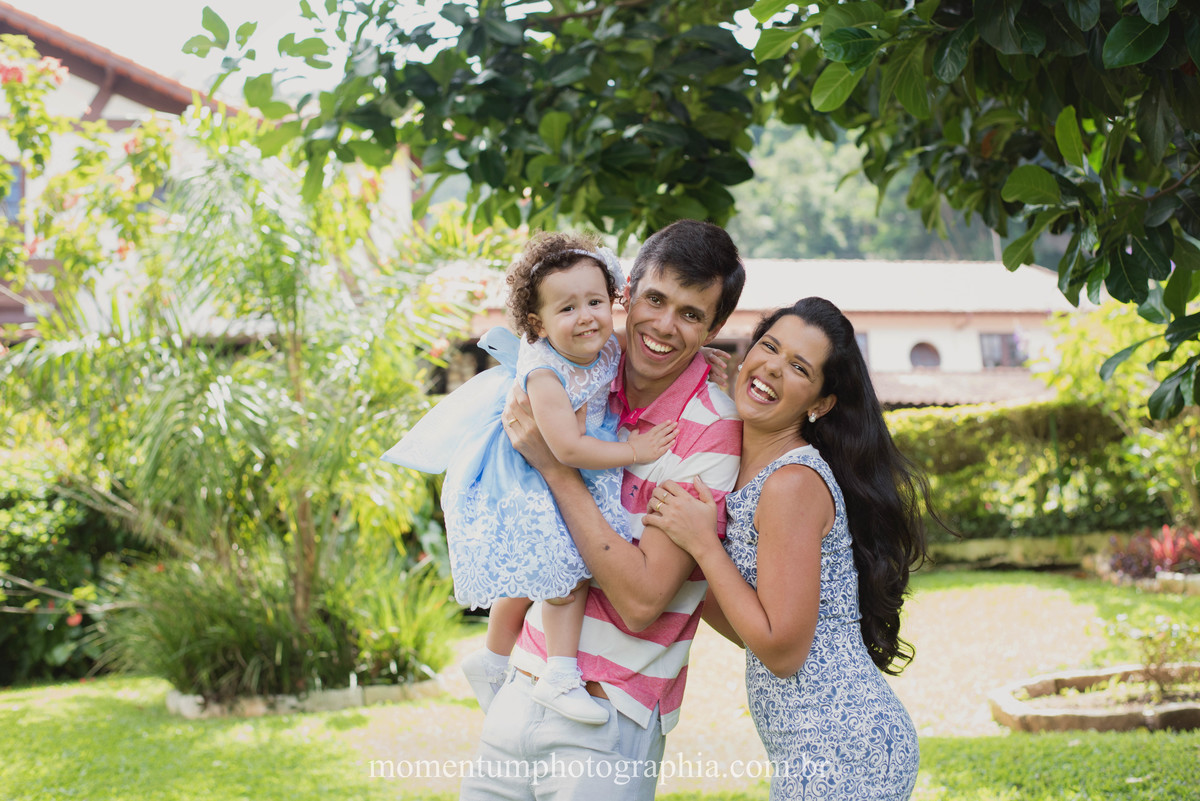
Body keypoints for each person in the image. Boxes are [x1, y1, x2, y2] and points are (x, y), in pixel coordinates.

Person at [460, 219, 745, 800]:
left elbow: (642, 602)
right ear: (628, 291)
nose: (664, 326)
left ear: (713, 328)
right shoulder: (587, 363)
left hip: (611, 715)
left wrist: (555, 467)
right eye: (656, 299)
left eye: (691, 315)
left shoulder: (710, 431)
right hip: (521, 689)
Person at [644, 297, 935, 799]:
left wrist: (703, 545)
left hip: (840, 749)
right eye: (769, 346)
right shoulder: (751, 470)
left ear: (820, 404)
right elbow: (753, 629)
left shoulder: (791, 483)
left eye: (798, 367)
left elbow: (782, 651)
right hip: (820, 746)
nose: (773, 368)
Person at [384, 232, 679, 725]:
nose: (586, 316)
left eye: (595, 301)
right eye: (567, 309)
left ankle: (492, 660)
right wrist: (634, 449)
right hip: (532, 477)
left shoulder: (605, 345)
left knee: (542, 572)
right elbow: (563, 448)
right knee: (567, 574)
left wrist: (699, 360)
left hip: (568, 468)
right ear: (538, 324)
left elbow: (644, 358)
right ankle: (560, 676)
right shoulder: (545, 374)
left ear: (613, 302)